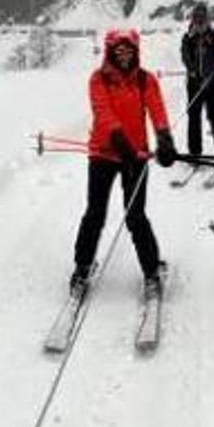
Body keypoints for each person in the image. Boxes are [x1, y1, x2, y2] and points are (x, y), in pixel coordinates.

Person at [71, 28, 176, 297]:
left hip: (136, 156)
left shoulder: (145, 80)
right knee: (95, 214)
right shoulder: (98, 80)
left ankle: (151, 271)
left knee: (135, 216)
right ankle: (82, 268)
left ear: (136, 52)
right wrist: (123, 146)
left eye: (129, 51)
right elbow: (104, 114)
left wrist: (165, 139)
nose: (125, 55)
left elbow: (157, 110)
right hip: (104, 154)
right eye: (119, 51)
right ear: (110, 52)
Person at [181, 2, 214, 161]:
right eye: (197, 21)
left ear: (208, 20)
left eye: (203, 20)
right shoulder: (188, 38)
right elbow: (185, 56)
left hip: (212, 83)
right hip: (194, 83)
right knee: (193, 116)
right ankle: (195, 151)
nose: (200, 24)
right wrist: (192, 71)